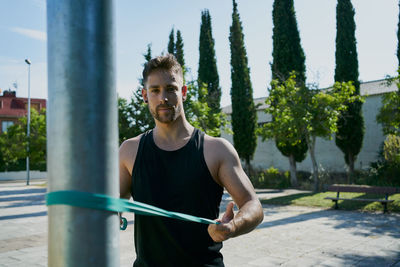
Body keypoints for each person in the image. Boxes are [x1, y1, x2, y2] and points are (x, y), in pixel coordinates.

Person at [119, 54, 263, 267]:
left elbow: (253, 206)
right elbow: (111, 202)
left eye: (171, 88)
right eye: (155, 90)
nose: (163, 98)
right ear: (144, 95)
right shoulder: (129, 151)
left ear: (183, 92)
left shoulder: (216, 150)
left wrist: (232, 227)